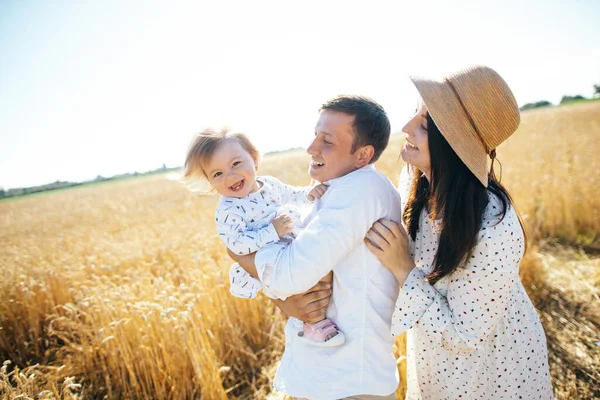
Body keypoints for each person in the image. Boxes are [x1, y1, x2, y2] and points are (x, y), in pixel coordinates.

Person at [364, 65, 554, 399]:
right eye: (414, 115)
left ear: (452, 146)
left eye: (423, 126)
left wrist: (402, 269)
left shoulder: (493, 228)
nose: (406, 128)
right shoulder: (417, 179)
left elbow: (465, 336)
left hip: (493, 368)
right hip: (434, 352)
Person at [232, 95, 401, 399]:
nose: (311, 148)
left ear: (363, 155)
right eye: (315, 135)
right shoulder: (332, 190)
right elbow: (293, 282)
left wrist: (239, 252)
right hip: (329, 376)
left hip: (349, 382)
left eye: (327, 141)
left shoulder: (361, 189)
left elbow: (288, 275)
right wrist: (287, 302)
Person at [183, 129, 345, 347]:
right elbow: (236, 244)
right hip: (268, 256)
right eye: (217, 174)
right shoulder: (228, 210)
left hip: (289, 239)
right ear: (210, 182)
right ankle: (312, 323)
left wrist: (309, 194)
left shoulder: (269, 184)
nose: (230, 176)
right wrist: (272, 232)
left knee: (318, 271)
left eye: (236, 164)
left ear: (254, 158)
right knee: (299, 288)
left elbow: (291, 194)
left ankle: (328, 309)